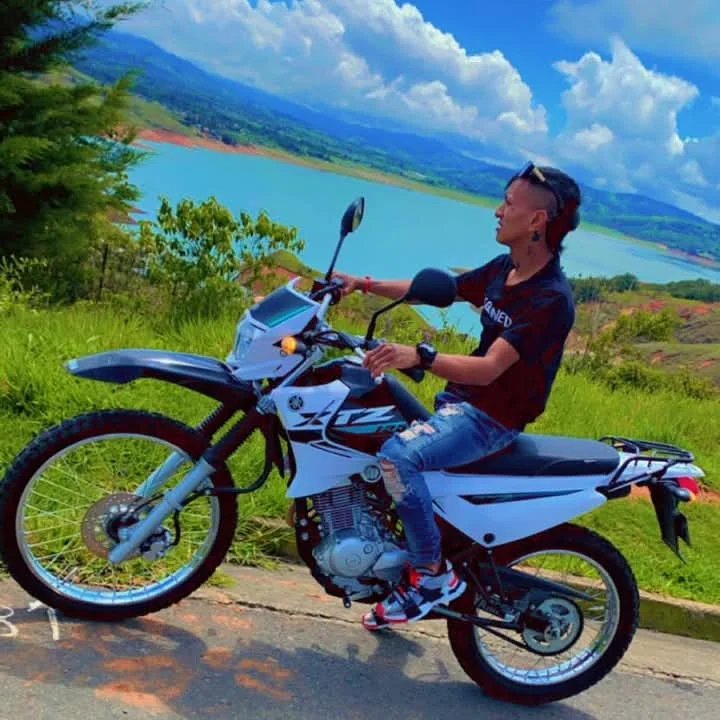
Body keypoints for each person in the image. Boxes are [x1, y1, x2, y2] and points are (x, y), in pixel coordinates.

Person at [332, 162, 582, 631]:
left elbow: (489, 370)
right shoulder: (505, 270)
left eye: (508, 203)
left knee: (398, 458)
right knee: (367, 412)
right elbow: (436, 291)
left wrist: (418, 355)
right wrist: (361, 284)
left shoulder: (549, 298)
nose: (497, 211)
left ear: (536, 221)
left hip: (490, 419)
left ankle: (430, 576)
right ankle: (389, 559)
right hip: (460, 403)